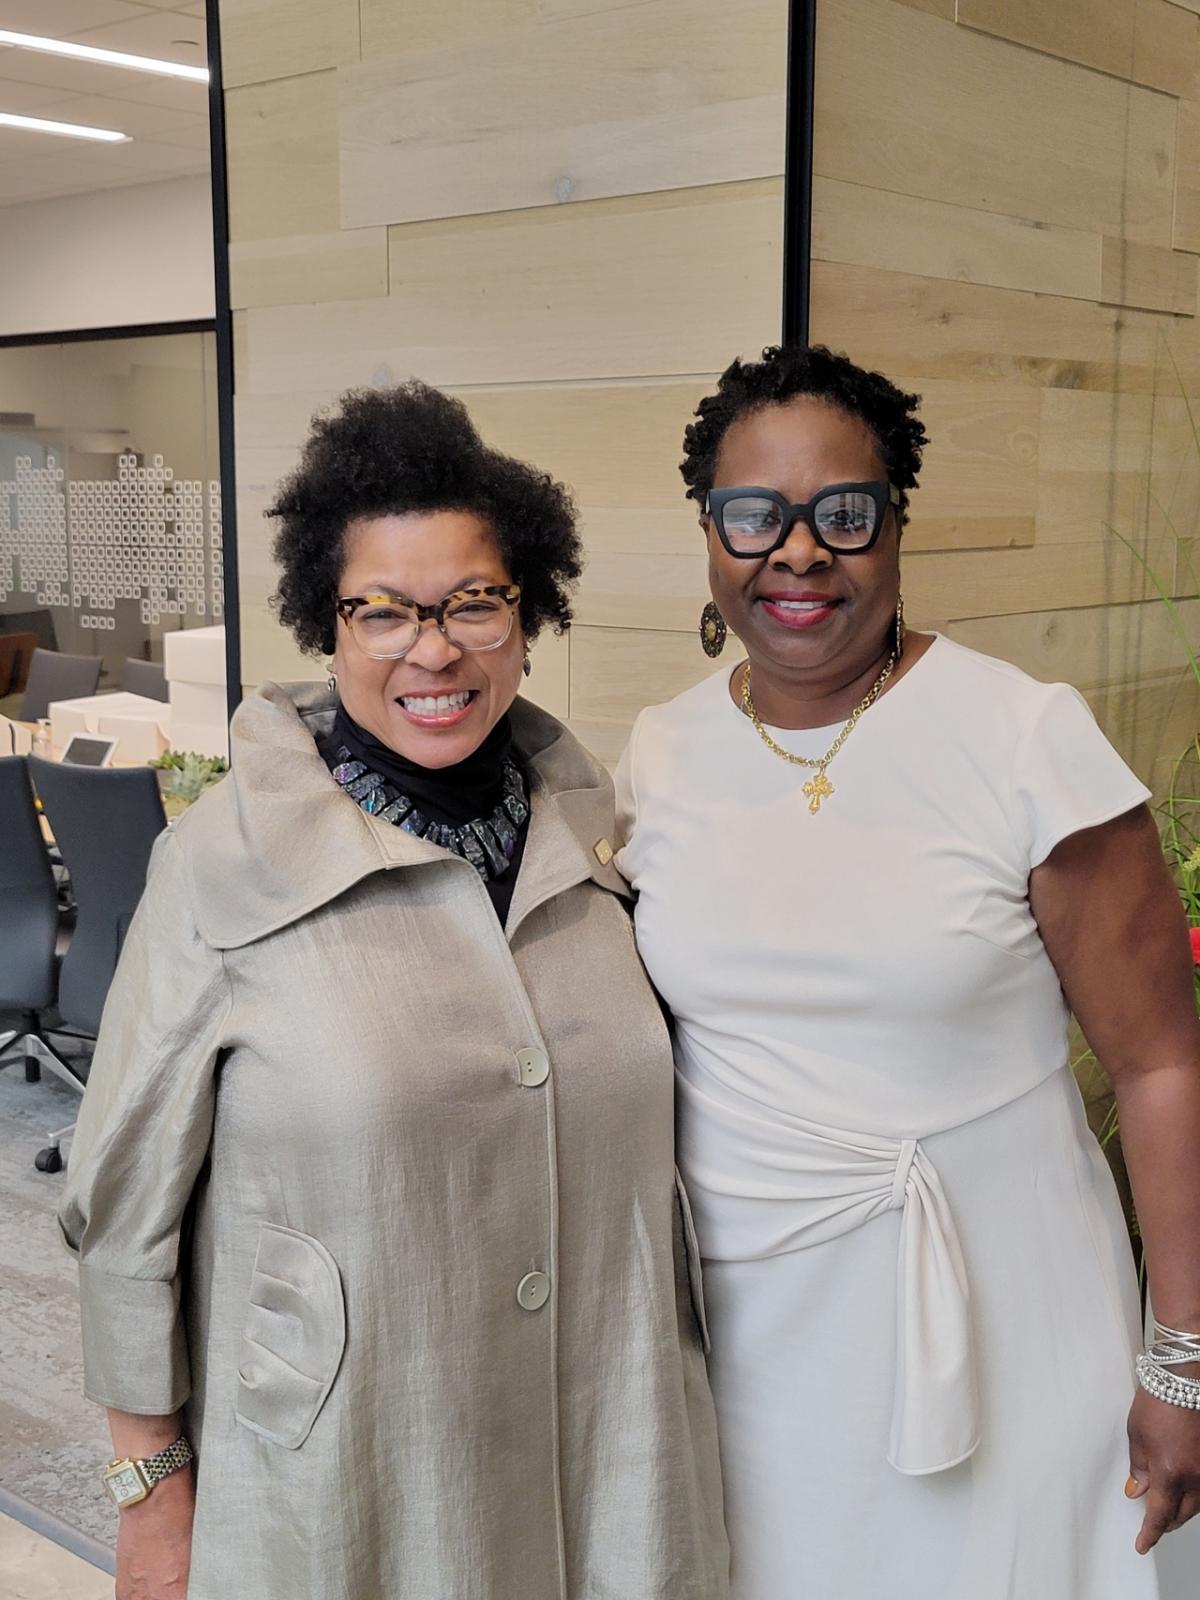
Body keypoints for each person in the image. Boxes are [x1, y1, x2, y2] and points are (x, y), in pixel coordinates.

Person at [59, 382, 728, 1600]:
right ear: (329, 621)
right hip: (354, 1479)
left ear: (529, 611)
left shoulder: (604, 839)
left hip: (613, 1449)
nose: (434, 647)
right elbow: (122, 1210)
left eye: (474, 601)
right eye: (383, 611)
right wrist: (148, 1502)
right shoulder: (223, 863)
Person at [614, 344, 1200, 1599]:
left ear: (893, 526)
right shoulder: (662, 751)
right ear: (710, 533)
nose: (800, 551)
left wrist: (1181, 1359)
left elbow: (1159, 1065)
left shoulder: (1022, 735)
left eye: (845, 512)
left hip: (1009, 1315)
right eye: (754, 514)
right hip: (752, 1341)